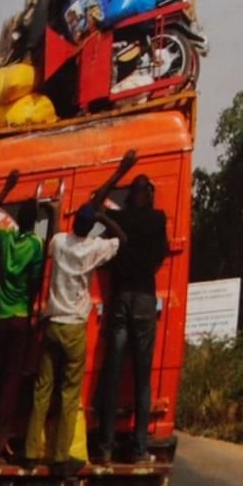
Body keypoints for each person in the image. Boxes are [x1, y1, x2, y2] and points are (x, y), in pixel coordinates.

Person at [23, 201, 126, 476]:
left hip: (53, 325)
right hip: (75, 329)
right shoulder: (93, 248)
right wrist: (105, 216)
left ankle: (31, 453)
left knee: (42, 392)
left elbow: (55, 231)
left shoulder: (58, 243)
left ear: (74, 223)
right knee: (69, 395)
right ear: (89, 227)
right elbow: (122, 240)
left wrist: (54, 211)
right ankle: (60, 457)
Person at [97, 174, 169, 464]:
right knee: (142, 378)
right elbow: (162, 253)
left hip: (120, 298)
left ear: (129, 196)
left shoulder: (120, 219)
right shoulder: (157, 219)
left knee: (112, 376)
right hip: (144, 298)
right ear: (149, 195)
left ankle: (105, 447)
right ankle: (140, 449)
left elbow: (94, 206)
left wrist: (117, 172)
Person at [0, 169, 45, 464]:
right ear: (37, 221)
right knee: (11, 386)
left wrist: (6, 188)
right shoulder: (36, 246)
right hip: (20, 319)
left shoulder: (5, 240)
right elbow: (36, 281)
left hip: (1, 318)